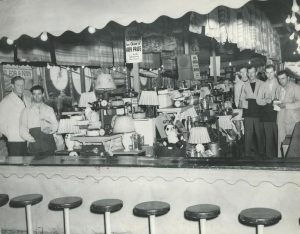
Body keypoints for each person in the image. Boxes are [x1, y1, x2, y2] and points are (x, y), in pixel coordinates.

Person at [20, 85, 58, 156]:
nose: (37, 96)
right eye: (34, 94)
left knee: (51, 165)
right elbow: (23, 128)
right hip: (34, 144)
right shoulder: (26, 110)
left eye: (39, 94)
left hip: (48, 142)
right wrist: (31, 139)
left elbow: (55, 125)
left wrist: (50, 129)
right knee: (35, 166)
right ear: (32, 95)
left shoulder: (49, 109)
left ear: (43, 94)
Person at [0, 76, 31, 156]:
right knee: (15, 166)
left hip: (27, 139)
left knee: (26, 165)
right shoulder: (6, 101)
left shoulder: (27, 99)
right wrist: (11, 135)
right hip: (14, 141)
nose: (21, 87)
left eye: (22, 85)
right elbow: (1, 123)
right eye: (18, 85)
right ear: (12, 86)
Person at [256, 64, 280, 158]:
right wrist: (266, 100)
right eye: (267, 73)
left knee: (278, 137)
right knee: (268, 137)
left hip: (278, 113)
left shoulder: (279, 83)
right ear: (265, 74)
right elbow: (258, 100)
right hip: (266, 114)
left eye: (271, 72)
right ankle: (269, 159)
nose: (269, 75)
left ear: (274, 72)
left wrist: (275, 100)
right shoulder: (263, 85)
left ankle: (280, 157)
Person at [240, 66, 264, 157]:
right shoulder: (244, 85)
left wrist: (260, 103)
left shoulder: (262, 84)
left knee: (259, 135)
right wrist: (246, 106)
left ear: (256, 72)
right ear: (247, 74)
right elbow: (242, 99)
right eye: (249, 73)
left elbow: (266, 98)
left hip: (259, 113)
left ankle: (262, 154)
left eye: (252, 72)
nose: (251, 75)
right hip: (248, 113)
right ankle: (247, 155)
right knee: (248, 135)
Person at [275, 70, 300, 157]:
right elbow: (279, 101)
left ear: (288, 78)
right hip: (281, 118)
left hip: (292, 120)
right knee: (281, 142)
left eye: (283, 78)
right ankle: (281, 161)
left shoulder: (296, 87)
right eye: (279, 79)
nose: (281, 81)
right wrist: (276, 104)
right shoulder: (278, 88)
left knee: (292, 144)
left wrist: (286, 105)